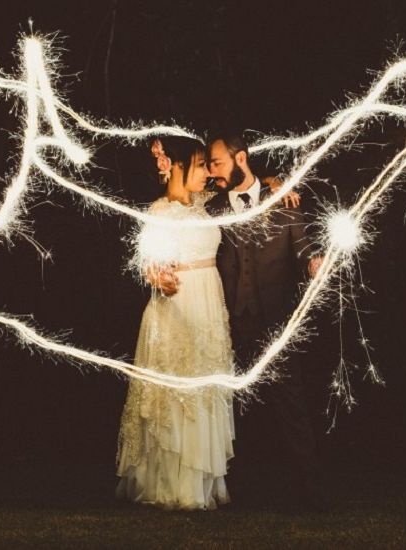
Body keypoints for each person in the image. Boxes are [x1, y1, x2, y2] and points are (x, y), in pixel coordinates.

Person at [155, 130, 327, 509]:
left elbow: (304, 247)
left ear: (241, 159)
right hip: (228, 322)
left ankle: (310, 493)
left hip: (277, 322)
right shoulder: (211, 207)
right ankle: (244, 490)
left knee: (292, 407)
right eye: (209, 165)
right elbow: (177, 200)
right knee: (232, 409)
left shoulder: (284, 200)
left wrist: (314, 261)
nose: (213, 171)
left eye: (217, 163)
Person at [115, 135, 234, 510]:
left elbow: (241, 184)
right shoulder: (160, 212)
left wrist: (275, 183)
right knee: (178, 395)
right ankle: (171, 484)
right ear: (177, 166)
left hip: (210, 306)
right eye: (200, 165)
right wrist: (158, 279)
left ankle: (204, 483)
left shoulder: (202, 204)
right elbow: (149, 263)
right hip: (179, 307)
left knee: (205, 391)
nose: (207, 173)